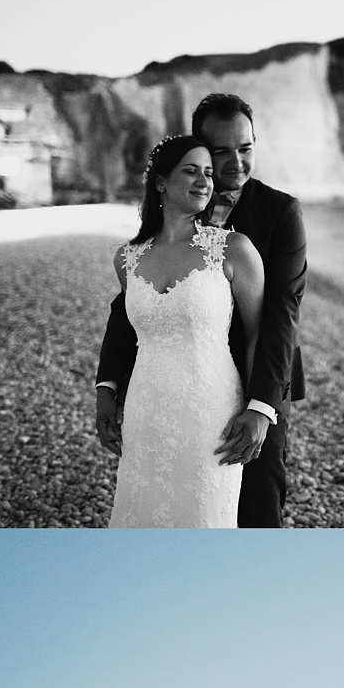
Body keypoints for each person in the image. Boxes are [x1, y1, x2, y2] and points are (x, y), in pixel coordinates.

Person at [97, 92, 306, 527]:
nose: (235, 163)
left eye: (246, 148)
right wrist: (108, 385)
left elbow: (280, 315)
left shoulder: (279, 212)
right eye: (219, 152)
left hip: (260, 384)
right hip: (165, 392)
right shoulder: (168, 220)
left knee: (257, 513)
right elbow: (129, 309)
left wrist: (261, 407)